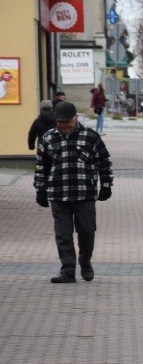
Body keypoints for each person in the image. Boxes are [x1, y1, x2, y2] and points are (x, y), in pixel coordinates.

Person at [34, 101, 114, 284]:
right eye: (59, 122)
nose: (62, 125)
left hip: (84, 193)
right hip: (58, 194)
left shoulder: (90, 137)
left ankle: (85, 262)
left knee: (87, 232)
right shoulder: (48, 138)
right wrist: (40, 190)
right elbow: (41, 166)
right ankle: (68, 271)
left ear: (75, 118)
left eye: (66, 121)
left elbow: (104, 162)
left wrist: (107, 185)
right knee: (63, 235)